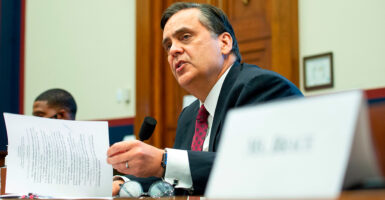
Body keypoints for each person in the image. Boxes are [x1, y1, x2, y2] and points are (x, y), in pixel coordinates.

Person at [107, 2, 303, 196]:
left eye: (185, 37)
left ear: (224, 43)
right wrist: (125, 182)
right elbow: (183, 176)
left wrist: (163, 160)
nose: (173, 50)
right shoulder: (189, 115)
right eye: (168, 45)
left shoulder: (260, 87)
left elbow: (250, 168)